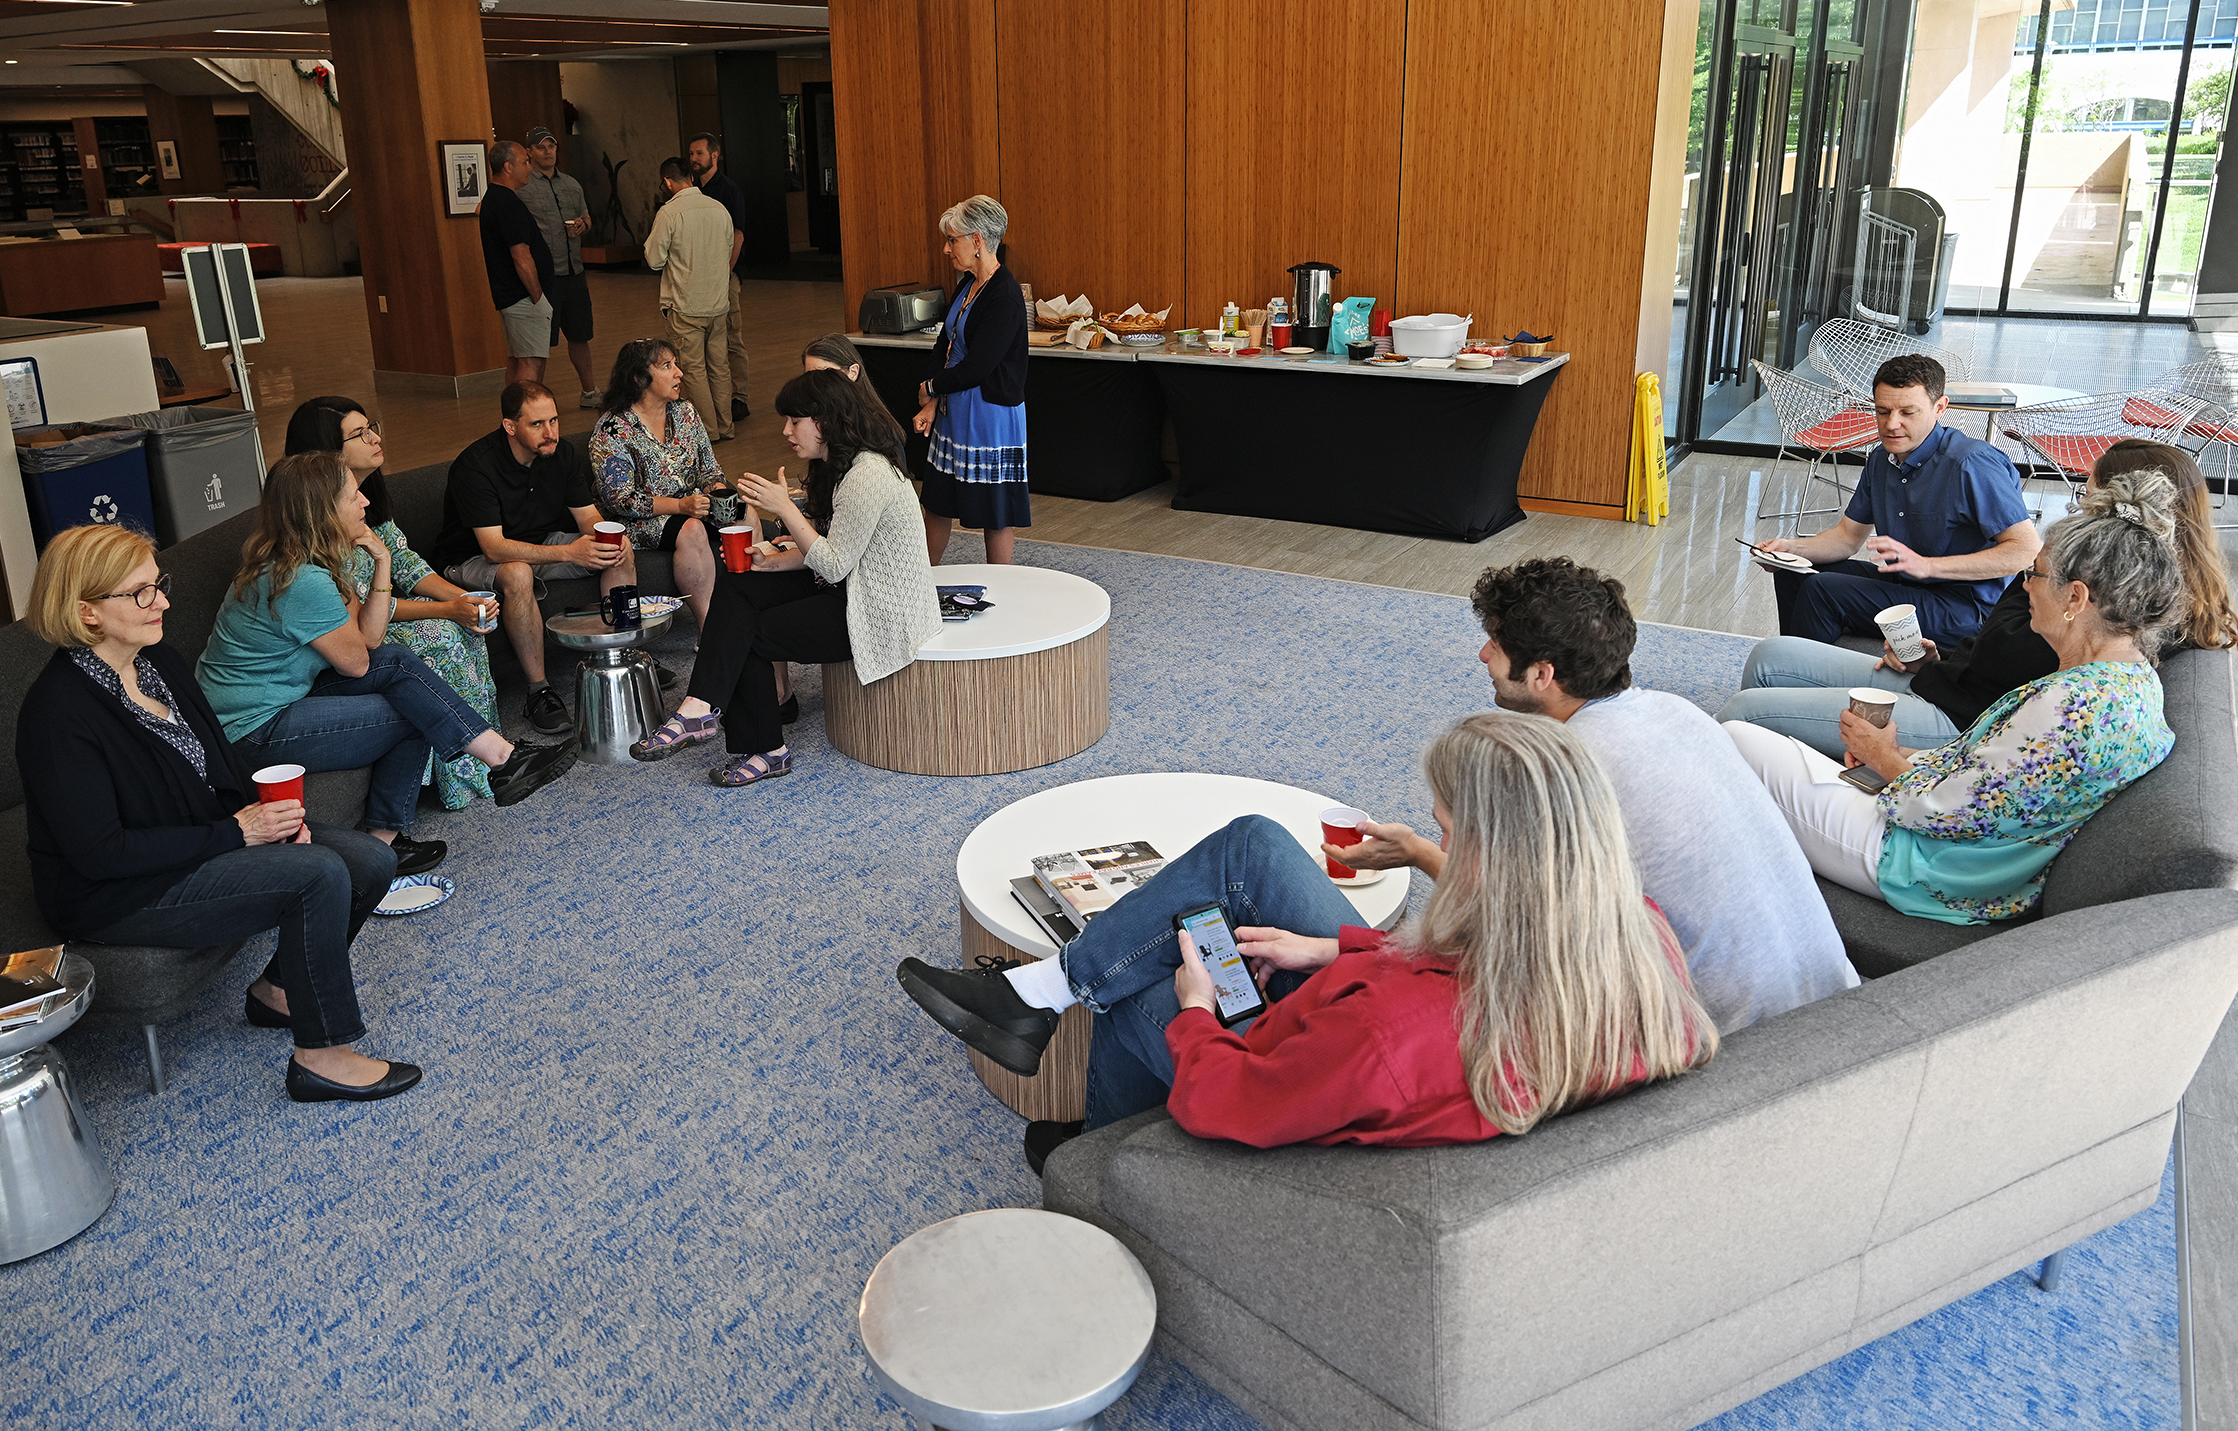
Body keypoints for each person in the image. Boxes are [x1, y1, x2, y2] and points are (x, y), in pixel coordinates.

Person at [896, 713, 1718, 1174]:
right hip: (1394, 1013)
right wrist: (1337, 953)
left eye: (1443, 833)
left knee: (1144, 990)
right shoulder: (1635, 936)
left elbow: (1233, 1099)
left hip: (1303, 1065)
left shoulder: (1385, 1037)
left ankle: (1095, 1171)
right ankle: (1040, 995)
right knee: (1251, 847)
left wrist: (1192, 1014)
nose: (1438, 849)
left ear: (1495, 855)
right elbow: (1487, 967)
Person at [1332, 557, 1853, 1033]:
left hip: (1721, 1041)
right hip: (1837, 1005)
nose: (1483, 653)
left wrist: (1419, 853)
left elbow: (1509, 927)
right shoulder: (1678, 710)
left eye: (1495, 643)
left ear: (1542, 674)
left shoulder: (1564, 769)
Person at [16, 524, 419, 1101]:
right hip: (116, 892)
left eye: (159, 585)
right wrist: (237, 832)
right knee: (320, 874)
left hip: (196, 838)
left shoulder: (159, 663)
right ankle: (323, 1057)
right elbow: (101, 854)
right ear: (87, 614)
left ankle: (278, 991)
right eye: (141, 593)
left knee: (369, 860)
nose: (163, 602)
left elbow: (219, 765)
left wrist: (275, 821)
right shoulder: (58, 715)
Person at [1725, 468, 2185, 925]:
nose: (2025, 585)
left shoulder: (2067, 705)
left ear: (2076, 598)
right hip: (1960, 852)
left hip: (1929, 864)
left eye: (2035, 574)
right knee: (1756, 736)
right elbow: (1995, 779)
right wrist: (1904, 756)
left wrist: (1884, 758)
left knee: (1735, 738)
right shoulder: (2133, 679)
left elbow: (1948, 813)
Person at [1719, 438, 2238, 759]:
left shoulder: (2113, 608)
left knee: (1747, 712)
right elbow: (2000, 646)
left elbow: (2021, 695)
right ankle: (1779, 767)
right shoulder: (2079, 570)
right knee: (1770, 656)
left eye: (2090, 494)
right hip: (1943, 679)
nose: (2080, 502)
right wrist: (1937, 657)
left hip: (1960, 720)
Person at [200, 452, 576, 872]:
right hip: (249, 730)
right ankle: (484, 773)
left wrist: (382, 563)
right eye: (352, 496)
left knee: (399, 663)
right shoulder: (300, 581)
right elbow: (359, 663)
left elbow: (371, 638)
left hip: (281, 699)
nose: (364, 502)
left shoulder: (306, 560)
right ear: (321, 512)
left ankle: (492, 767)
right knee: (413, 705)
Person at [631, 369, 942, 784]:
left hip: (878, 612)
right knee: (739, 584)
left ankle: (761, 747)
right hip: (847, 587)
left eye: (795, 421)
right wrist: (778, 558)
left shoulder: (868, 474)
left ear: (826, 421)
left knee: (751, 631)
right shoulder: (839, 465)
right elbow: (836, 550)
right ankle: (700, 707)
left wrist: (785, 509)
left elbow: (833, 562)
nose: (785, 430)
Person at [283, 395, 503, 811]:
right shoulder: (318, 525)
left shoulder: (366, 498)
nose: (374, 437)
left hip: (378, 615)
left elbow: (404, 562)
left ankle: (478, 763)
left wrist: (461, 599)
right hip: (346, 634)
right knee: (440, 634)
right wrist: (445, 610)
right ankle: (456, 772)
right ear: (328, 453)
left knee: (466, 624)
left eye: (373, 426)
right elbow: (361, 610)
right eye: (359, 433)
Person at [1755, 354, 2039, 648]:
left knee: (1823, 590)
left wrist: (1927, 566)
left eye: (1907, 412)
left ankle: (1804, 683)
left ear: (1940, 407)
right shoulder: (1881, 459)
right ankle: (1790, 666)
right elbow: (1846, 539)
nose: (1892, 424)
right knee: (1795, 571)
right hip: (1908, 586)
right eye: (1882, 411)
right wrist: (1791, 549)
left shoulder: (1972, 464)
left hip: (1965, 609)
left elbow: (2026, 551)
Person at [434, 380, 635, 735]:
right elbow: (494, 548)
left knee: (620, 549)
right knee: (517, 574)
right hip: (470, 559)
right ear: (510, 426)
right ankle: (538, 692)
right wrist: (569, 551)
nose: (550, 433)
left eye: (554, 421)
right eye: (537, 424)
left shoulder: (561, 453)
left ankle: (621, 655)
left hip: (539, 543)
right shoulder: (475, 467)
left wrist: (605, 537)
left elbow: (586, 517)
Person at [914, 195, 1030, 566]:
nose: (947, 249)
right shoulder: (968, 285)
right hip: (955, 410)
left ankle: (1004, 592)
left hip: (989, 417)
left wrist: (933, 388)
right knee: (937, 502)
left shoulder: (1005, 295)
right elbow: (944, 344)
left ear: (978, 241)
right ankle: (920, 580)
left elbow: (979, 365)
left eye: (953, 240)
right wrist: (933, 401)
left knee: (994, 514)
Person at [588, 337, 724, 628]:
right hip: (638, 519)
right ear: (639, 378)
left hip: (691, 505)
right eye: (666, 366)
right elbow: (620, 500)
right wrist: (680, 506)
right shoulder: (614, 429)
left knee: (744, 513)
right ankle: (709, 629)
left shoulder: (685, 413)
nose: (679, 373)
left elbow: (710, 471)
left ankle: (753, 611)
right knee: (691, 530)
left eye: (676, 364)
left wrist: (720, 492)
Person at [644, 155, 735, 442]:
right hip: (719, 303)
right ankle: (726, 426)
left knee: (693, 371)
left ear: (668, 182)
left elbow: (654, 259)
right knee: (720, 367)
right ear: (692, 178)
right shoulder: (719, 209)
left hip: (686, 305)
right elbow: (730, 248)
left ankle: (709, 432)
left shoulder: (670, 213)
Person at [516, 126, 598, 408]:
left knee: (580, 335)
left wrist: (583, 224)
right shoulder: (524, 186)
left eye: (551, 146)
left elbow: (586, 216)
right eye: (541, 147)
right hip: (544, 277)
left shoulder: (572, 184)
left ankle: (590, 392)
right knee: (539, 345)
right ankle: (532, 402)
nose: (548, 151)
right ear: (529, 152)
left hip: (574, 271)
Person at [479, 139, 557, 390]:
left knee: (517, 361)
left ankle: (513, 418)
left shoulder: (494, 199)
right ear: (508, 167)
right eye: (525, 161)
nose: (530, 167)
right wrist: (537, 296)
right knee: (531, 362)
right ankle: (526, 420)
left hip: (511, 296)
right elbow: (521, 256)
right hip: (523, 297)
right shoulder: (507, 204)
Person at [688, 131, 750, 425]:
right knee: (709, 341)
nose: (694, 159)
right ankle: (713, 399)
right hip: (700, 278)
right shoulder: (691, 191)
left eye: (699, 153)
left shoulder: (728, 190)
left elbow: (737, 235)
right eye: (691, 154)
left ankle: (739, 397)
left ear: (714, 155)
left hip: (724, 276)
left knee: (731, 337)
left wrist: (725, 273)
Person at [802, 332, 905, 435]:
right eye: (809, 377)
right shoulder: (811, 416)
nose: (815, 385)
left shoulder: (872, 426)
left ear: (853, 372)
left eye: (826, 375)